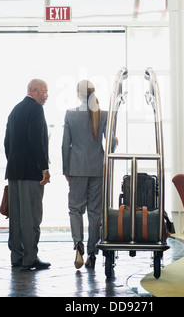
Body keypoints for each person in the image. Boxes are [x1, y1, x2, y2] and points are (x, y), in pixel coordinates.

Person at [62, 80, 117, 270]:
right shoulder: (103, 114)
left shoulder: (70, 114)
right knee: (95, 213)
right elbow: (110, 146)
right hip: (97, 169)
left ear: (78, 95)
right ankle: (92, 254)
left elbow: (65, 146)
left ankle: (78, 244)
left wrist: (65, 169)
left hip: (76, 168)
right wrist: (115, 141)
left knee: (75, 209)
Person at [4, 79, 51, 270]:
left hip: (14, 172)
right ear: (34, 91)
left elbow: (7, 142)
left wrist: (13, 163)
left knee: (16, 216)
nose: (47, 95)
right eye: (45, 91)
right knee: (32, 216)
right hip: (32, 173)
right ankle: (30, 258)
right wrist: (44, 168)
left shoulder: (15, 110)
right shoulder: (36, 110)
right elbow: (36, 141)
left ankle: (17, 256)